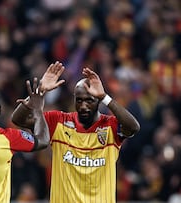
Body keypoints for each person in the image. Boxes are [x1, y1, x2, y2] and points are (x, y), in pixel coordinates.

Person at [11, 61, 141, 203]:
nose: (83, 106)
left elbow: (133, 127)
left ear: (98, 101)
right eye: (79, 100)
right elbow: (19, 120)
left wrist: (105, 97)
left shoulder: (110, 125)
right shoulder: (59, 121)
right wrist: (39, 92)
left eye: (89, 100)